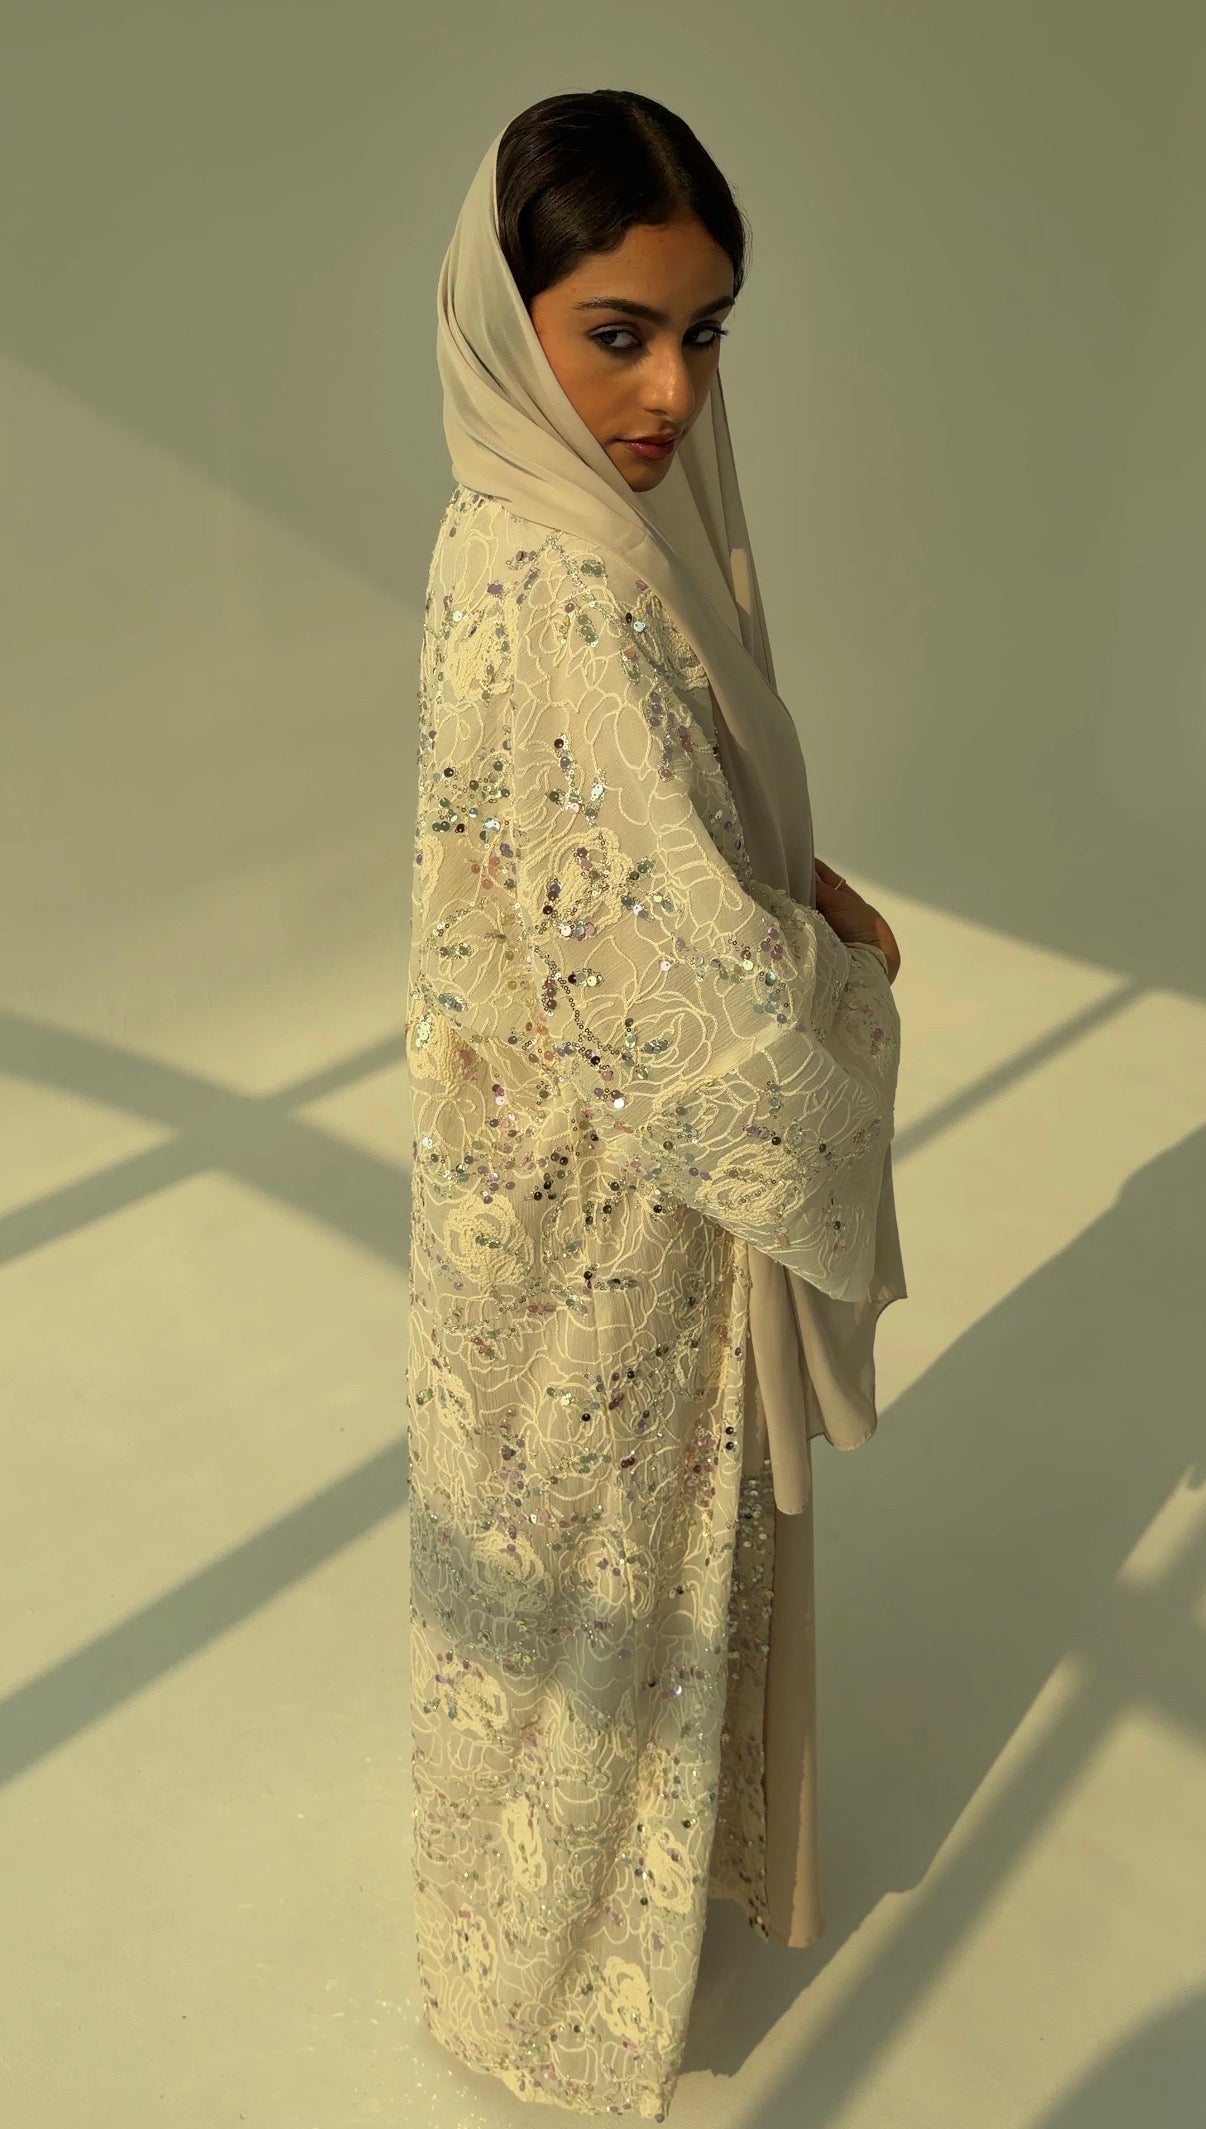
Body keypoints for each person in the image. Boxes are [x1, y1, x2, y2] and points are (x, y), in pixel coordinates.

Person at [407, 91, 908, 2121]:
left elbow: (625, 832)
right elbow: (662, 985)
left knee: (559, 1570)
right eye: (616, 333)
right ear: (504, 312)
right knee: (597, 1585)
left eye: (704, 335)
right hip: (609, 1198)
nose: (672, 392)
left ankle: (536, 1938)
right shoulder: (569, 578)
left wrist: (791, 885)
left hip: (531, 1161)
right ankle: (544, 1999)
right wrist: (843, 990)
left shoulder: (520, 525)